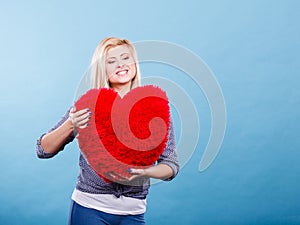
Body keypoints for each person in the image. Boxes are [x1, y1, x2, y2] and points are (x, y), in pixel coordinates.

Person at [36, 37, 179, 225]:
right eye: (111, 61)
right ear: (102, 68)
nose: (120, 65)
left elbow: (171, 165)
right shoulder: (89, 105)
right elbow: (43, 150)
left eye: (125, 58)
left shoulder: (155, 107)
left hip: (134, 212)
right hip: (89, 209)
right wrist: (70, 124)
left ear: (134, 63)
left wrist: (144, 171)